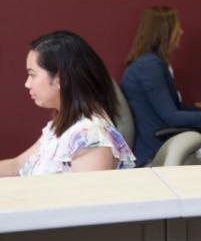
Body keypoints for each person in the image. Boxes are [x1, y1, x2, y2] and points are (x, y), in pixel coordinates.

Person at [121, 7, 201, 166]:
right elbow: (171, 117)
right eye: (177, 28)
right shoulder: (150, 67)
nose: (182, 32)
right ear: (165, 33)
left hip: (164, 139)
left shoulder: (147, 63)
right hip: (160, 145)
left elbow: (170, 110)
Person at [0, 31, 136, 176]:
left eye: (33, 75)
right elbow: (17, 166)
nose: (27, 84)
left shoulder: (89, 139)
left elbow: (87, 198)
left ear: (61, 79)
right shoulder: (61, 125)